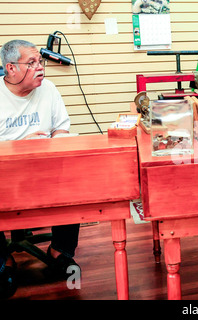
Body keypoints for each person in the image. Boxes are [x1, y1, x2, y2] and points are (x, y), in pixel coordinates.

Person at [0, 39, 80, 299]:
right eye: (31, 63)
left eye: (40, 61)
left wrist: (53, 144)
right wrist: (22, 146)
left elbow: (61, 128)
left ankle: (60, 252)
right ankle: (4, 261)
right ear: (10, 68)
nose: (40, 68)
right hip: (5, 173)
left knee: (75, 180)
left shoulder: (50, 89)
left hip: (45, 169)